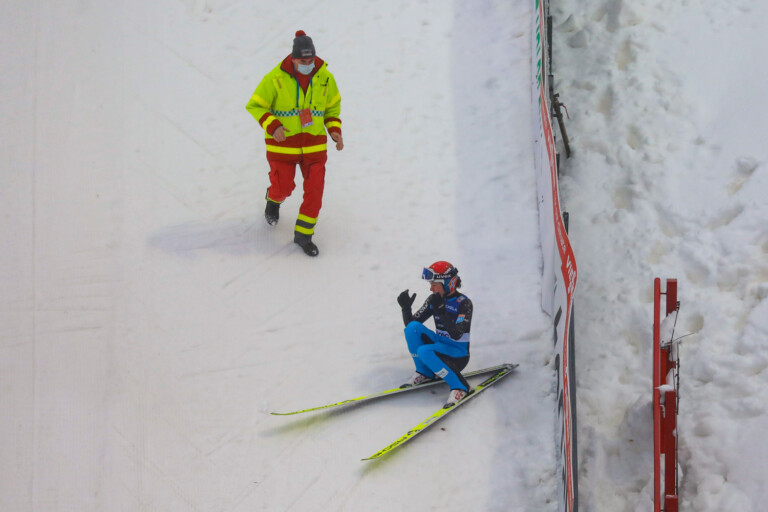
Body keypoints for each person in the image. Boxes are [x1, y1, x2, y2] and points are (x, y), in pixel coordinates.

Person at [246, 30, 344, 257]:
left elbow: (332, 108)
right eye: (303, 61)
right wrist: (273, 126)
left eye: (311, 60)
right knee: (284, 187)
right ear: (293, 58)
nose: (308, 64)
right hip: (283, 147)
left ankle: (303, 236)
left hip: (315, 146)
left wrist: (335, 131)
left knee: (315, 192)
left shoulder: (325, 78)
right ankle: (273, 199)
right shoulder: (275, 78)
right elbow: (256, 105)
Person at [397, 261, 474, 408]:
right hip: (440, 344)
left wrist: (442, 311)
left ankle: (461, 387)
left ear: (449, 283)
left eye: (434, 284)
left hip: (458, 355)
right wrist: (406, 309)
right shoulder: (434, 300)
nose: (431, 288)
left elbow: (457, 334)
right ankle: (425, 372)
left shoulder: (464, 303)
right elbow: (412, 324)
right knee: (412, 329)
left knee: (424, 350)